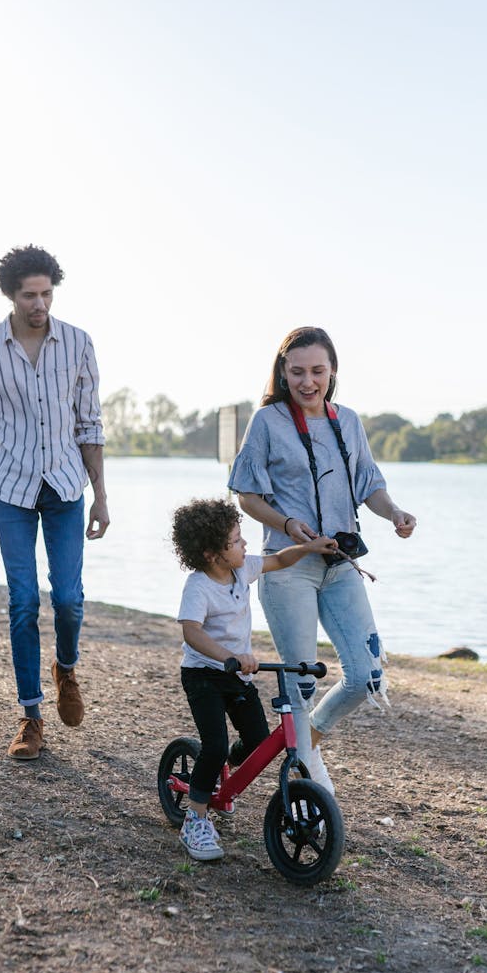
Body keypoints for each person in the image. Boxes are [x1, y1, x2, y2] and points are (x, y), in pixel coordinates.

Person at [227, 326, 416, 795]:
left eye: (317, 371)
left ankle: (302, 741)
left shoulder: (348, 420)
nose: (307, 381)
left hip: (341, 566)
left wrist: (393, 512)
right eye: (297, 372)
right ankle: (312, 784)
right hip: (288, 566)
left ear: (332, 372)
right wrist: (289, 525)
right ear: (283, 372)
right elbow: (246, 496)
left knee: (368, 676)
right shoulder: (267, 421)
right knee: (302, 687)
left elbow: (368, 484)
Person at [0, 245, 109, 761]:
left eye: (47, 293)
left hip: (68, 487)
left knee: (67, 598)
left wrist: (101, 497)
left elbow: (90, 424)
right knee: (23, 602)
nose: (40, 303)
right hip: (12, 491)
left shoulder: (78, 344)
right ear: (11, 295)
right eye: (30, 295)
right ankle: (31, 716)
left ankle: (65, 667)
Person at [171, 497, 337, 861]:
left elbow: (278, 560)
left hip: (237, 675)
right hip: (204, 675)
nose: (245, 544)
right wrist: (229, 656)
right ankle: (195, 820)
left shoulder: (242, 569)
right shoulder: (199, 586)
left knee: (259, 742)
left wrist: (307, 548)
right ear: (213, 553)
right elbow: (192, 632)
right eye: (235, 540)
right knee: (213, 745)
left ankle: (218, 774)